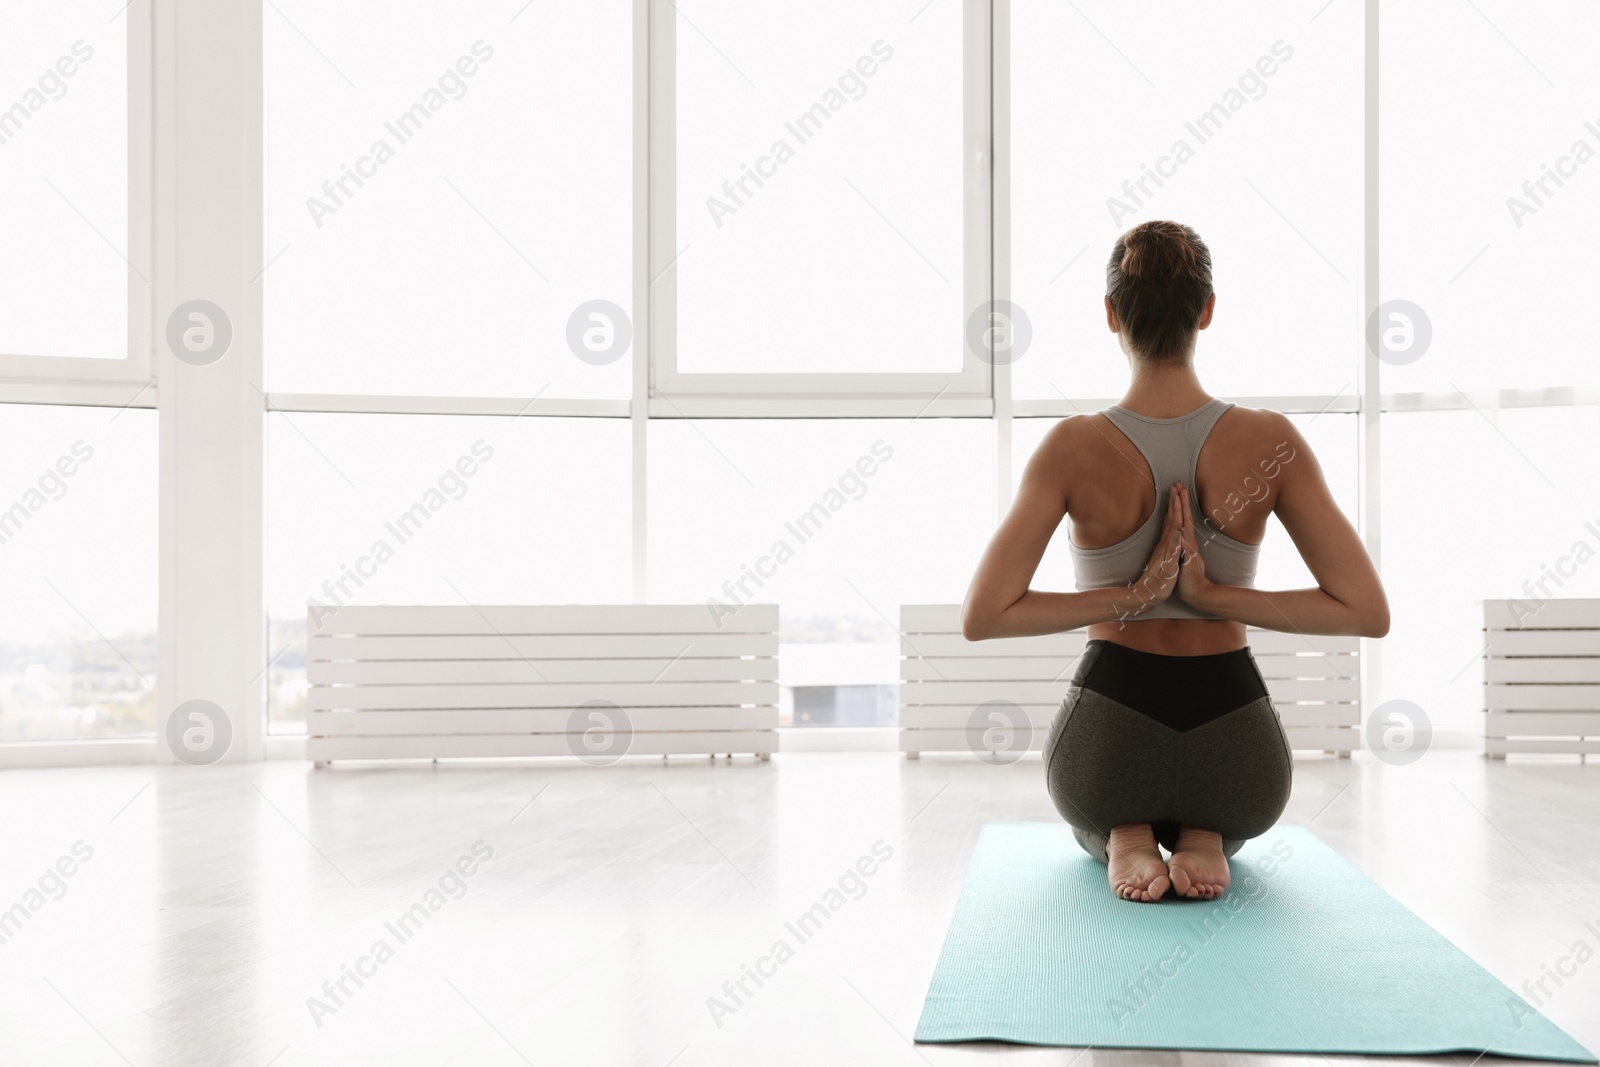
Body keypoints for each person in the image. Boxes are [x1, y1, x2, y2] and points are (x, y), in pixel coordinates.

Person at [961, 220, 1388, 902]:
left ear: (1110, 316)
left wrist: (1133, 596)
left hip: (1105, 756)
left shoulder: (1070, 448)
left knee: (1098, 806)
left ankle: (1117, 832)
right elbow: (1367, 611)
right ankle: (1209, 831)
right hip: (1237, 759)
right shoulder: (1270, 441)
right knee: (1224, 807)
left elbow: (983, 616)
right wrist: (1214, 596)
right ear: (1207, 311)